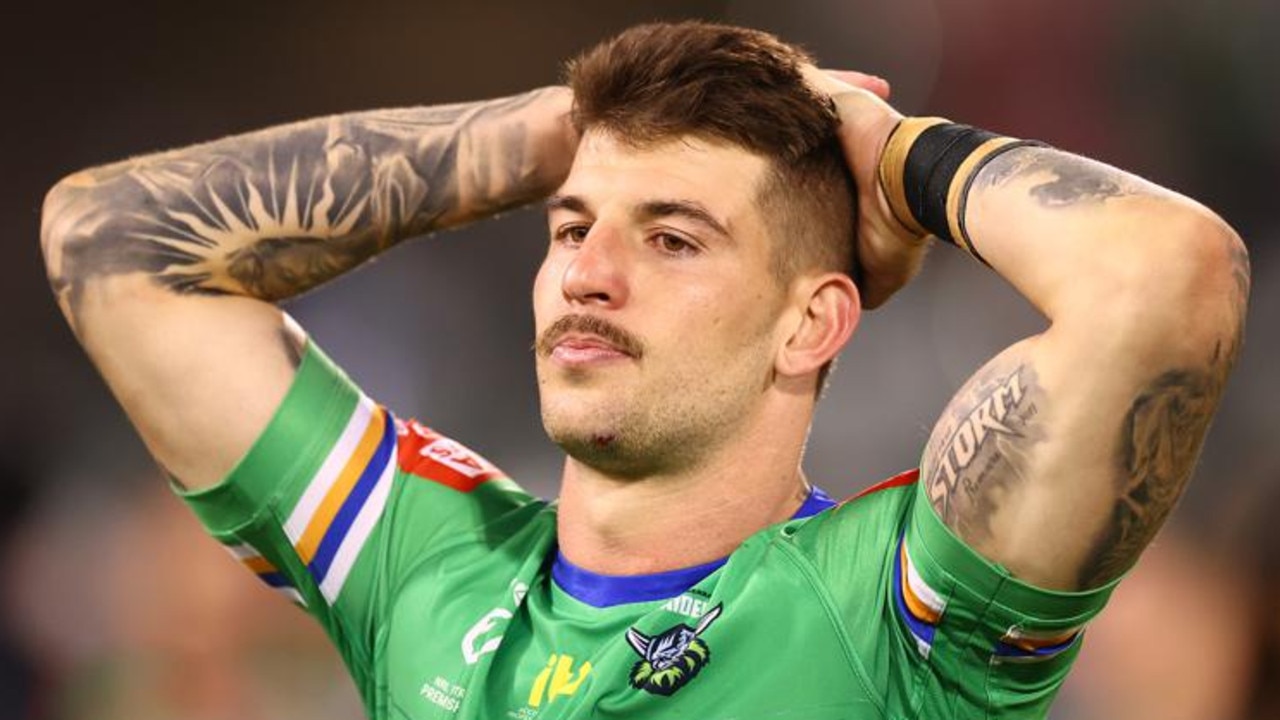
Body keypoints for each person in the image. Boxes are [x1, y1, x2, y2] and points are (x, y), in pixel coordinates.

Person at [39, 20, 1248, 719]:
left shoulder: (895, 611)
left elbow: (1165, 274)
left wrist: (888, 159)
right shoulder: (418, 566)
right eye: (569, 230)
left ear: (811, 323)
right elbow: (108, 245)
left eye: (672, 238)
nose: (586, 274)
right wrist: (542, 136)